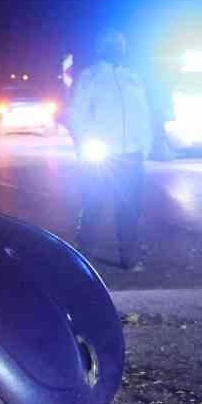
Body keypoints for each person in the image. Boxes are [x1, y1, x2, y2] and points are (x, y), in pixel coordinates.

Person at [68, 30, 151, 270]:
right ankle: (83, 258)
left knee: (130, 209)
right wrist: (83, 145)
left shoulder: (133, 77)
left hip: (132, 154)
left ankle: (129, 258)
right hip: (102, 155)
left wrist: (144, 145)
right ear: (101, 48)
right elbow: (77, 114)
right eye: (111, 44)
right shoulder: (90, 76)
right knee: (93, 205)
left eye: (120, 44)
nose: (116, 47)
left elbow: (143, 112)